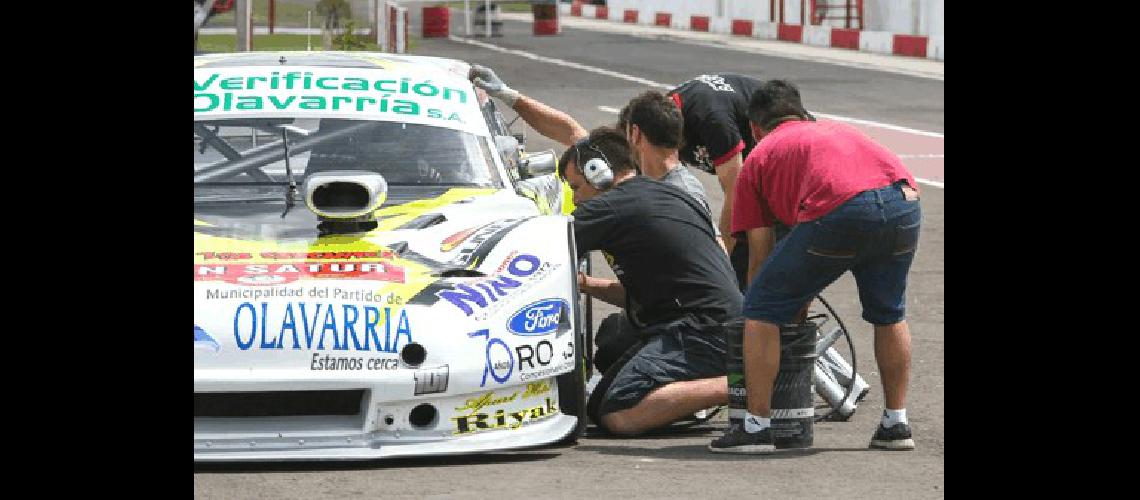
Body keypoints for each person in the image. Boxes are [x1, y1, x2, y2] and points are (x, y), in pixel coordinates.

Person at [708, 80, 921, 453]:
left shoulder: (760, 156)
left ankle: (756, 428)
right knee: (889, 313)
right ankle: (896, 423)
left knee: (759, 308)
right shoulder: (838, 130)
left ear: (755, 128)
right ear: (803, 113)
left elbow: (761, 253)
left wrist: (768, 307)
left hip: (843, 209)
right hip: (904, 202)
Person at [561, 127, 742, 436]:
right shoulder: (664, 193)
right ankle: (737, 380)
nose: (575, 199)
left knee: (617, 411)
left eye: (576, 187)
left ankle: (748, 384)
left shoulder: (611, 206)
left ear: (598, 172)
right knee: (599, 397)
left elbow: (542, 244)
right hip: (717, 323)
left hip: (701, 329)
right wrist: (586, 283)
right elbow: (646, 292)